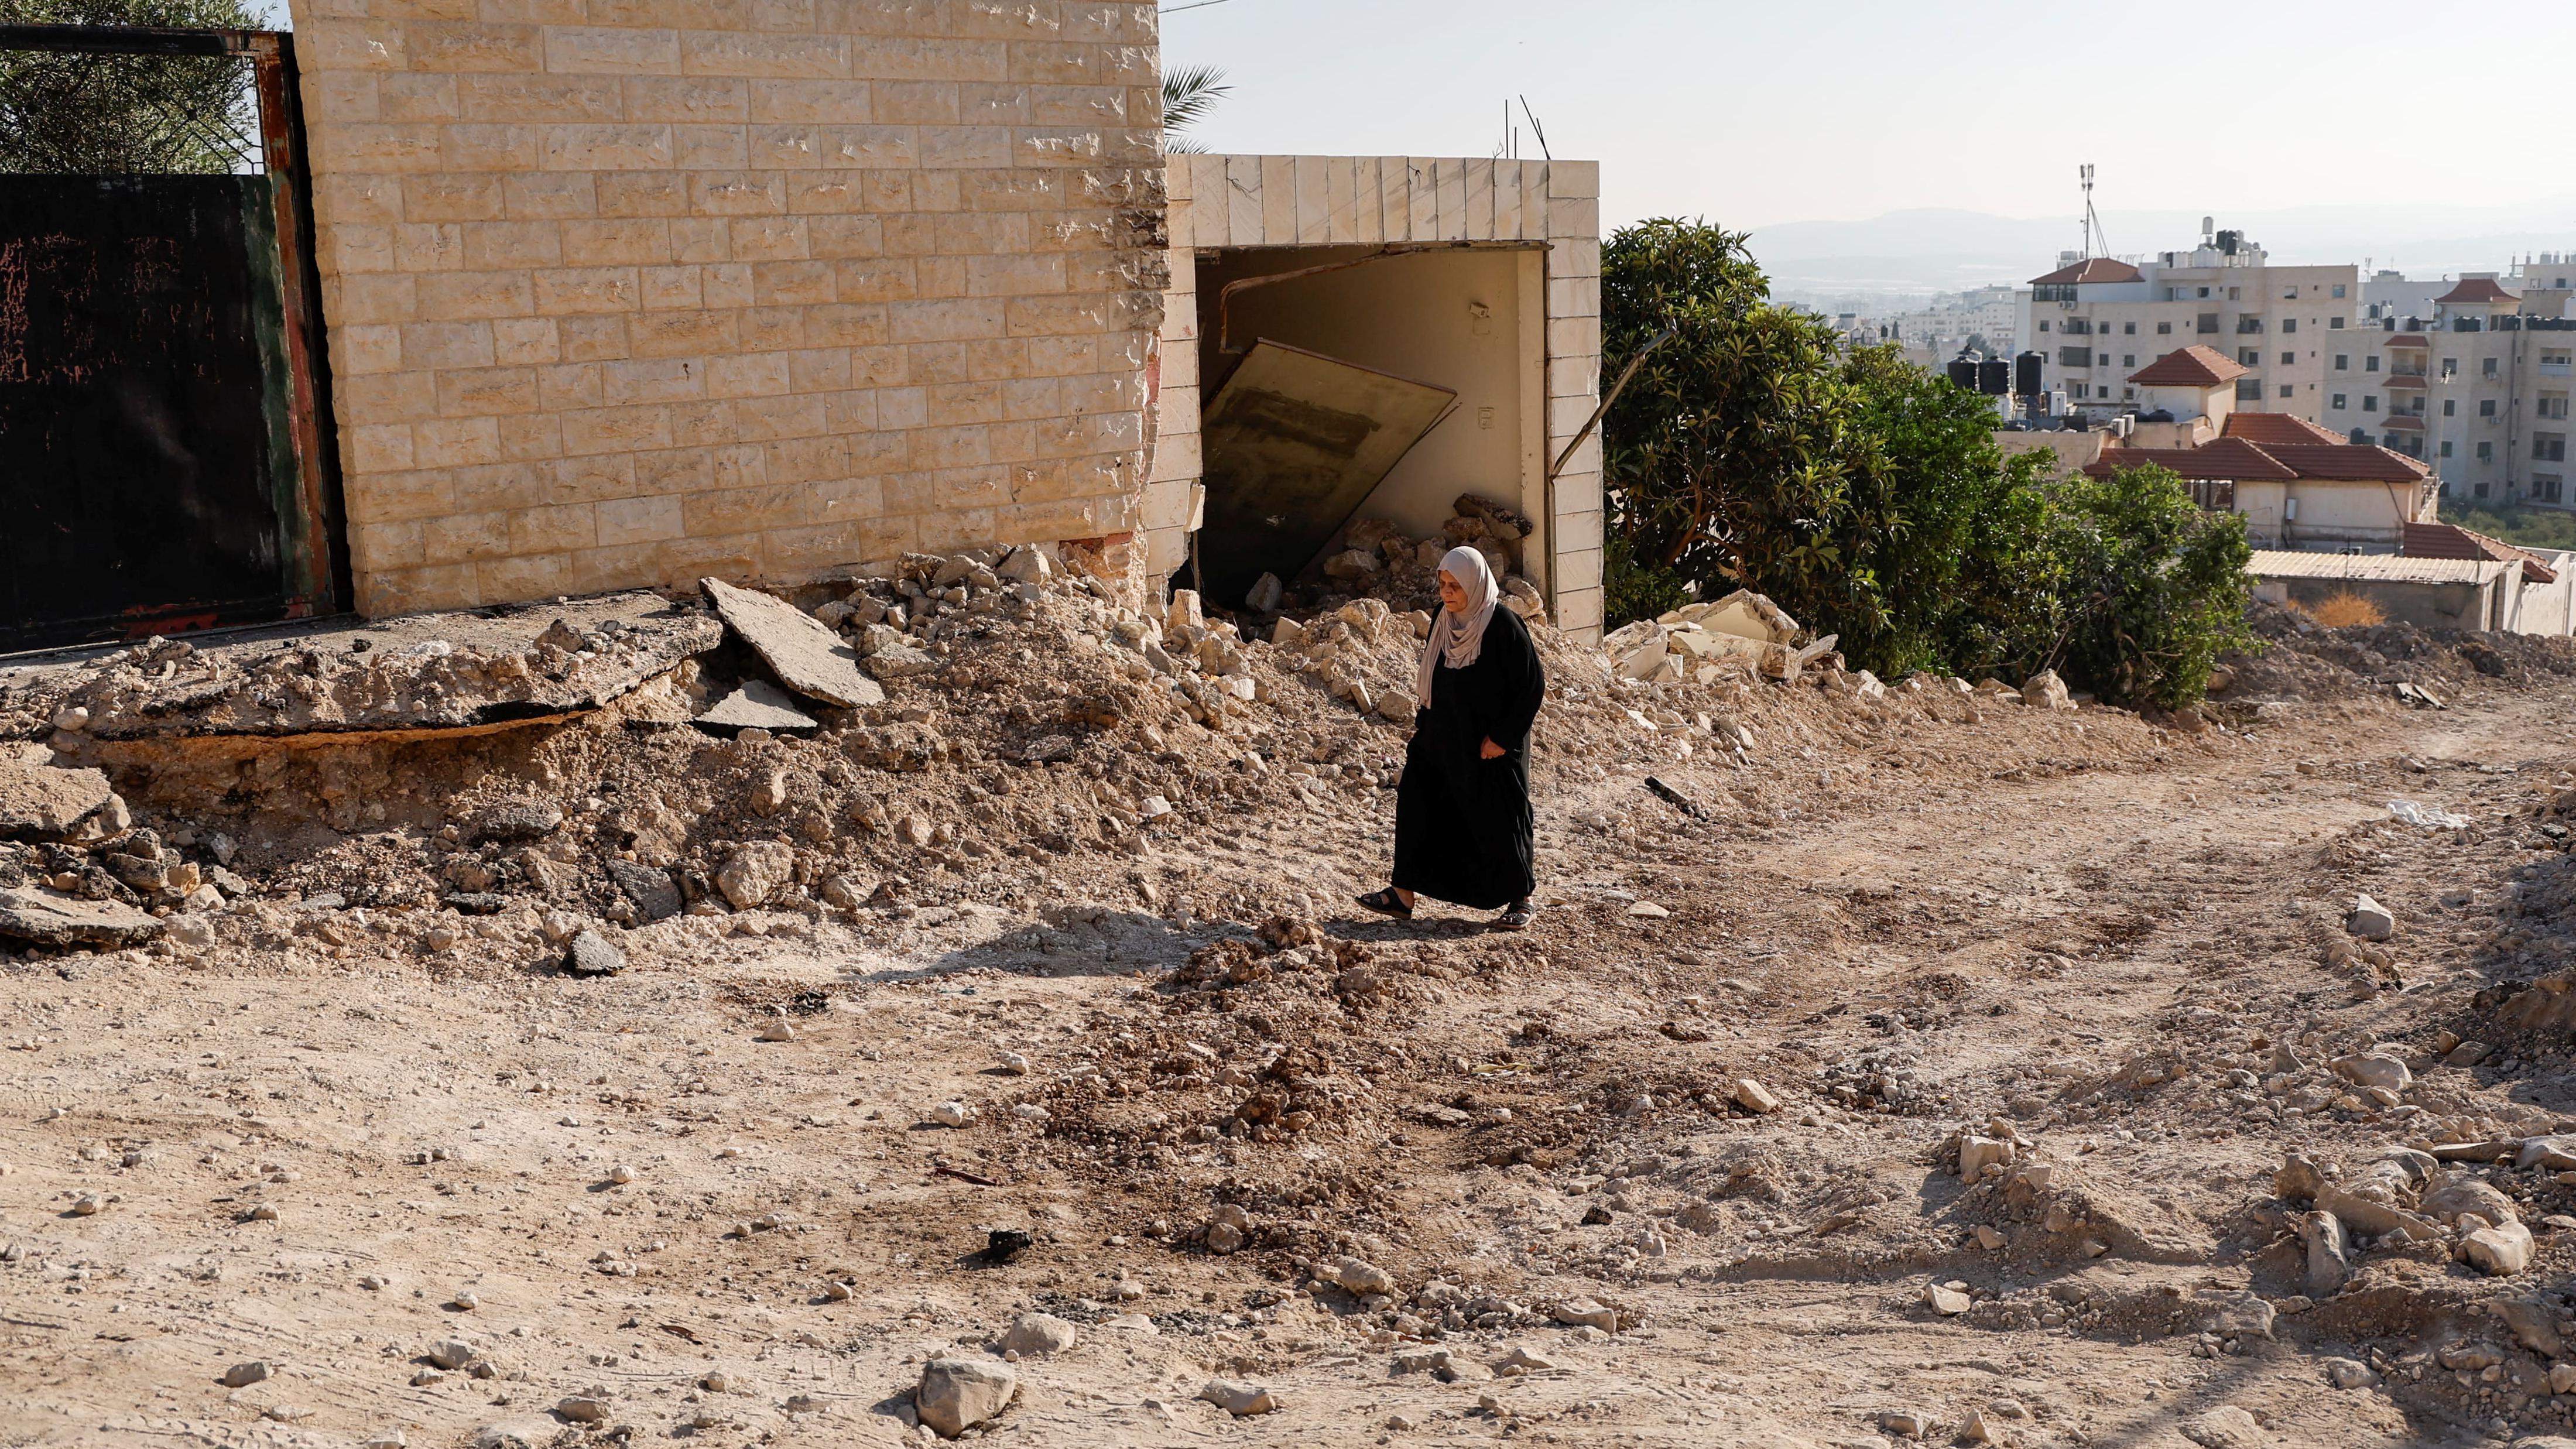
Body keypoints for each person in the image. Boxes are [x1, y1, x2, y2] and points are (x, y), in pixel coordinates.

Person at [1356, 546, 1546, 930]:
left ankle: (1520, 897)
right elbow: (1434, 672)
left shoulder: (1503, 625)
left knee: (1503, 815)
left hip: (1492, 744)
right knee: (1418, 800)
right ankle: (1402, 893)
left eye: (1455, 585)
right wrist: (1425, 726)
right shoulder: (1445, 619)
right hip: (1443, 734)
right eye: (1442, 584)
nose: (1447, 592)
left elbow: (1531, 686)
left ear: (1474, 584)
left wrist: (1502, 737)